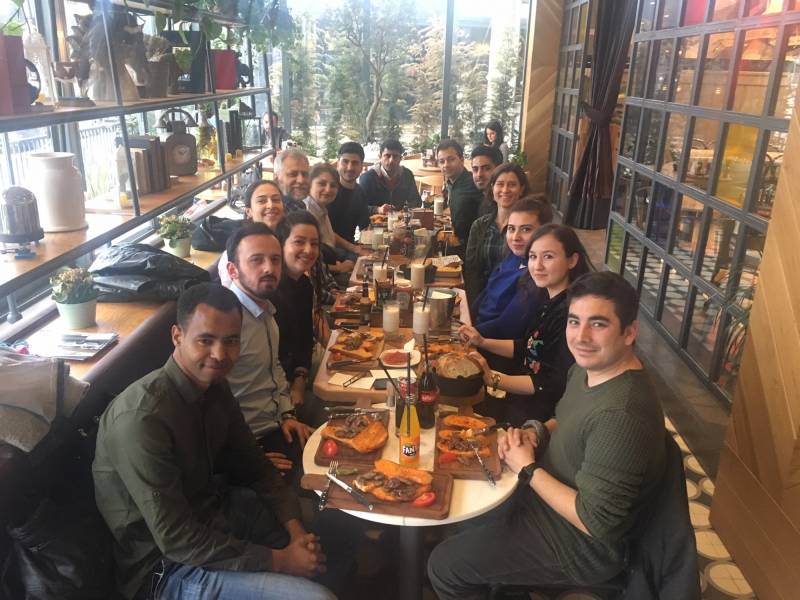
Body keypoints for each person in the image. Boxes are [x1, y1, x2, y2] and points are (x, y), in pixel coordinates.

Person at [429, 272, 668, 600]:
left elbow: (596, 523)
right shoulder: (587, 368)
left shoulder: (622, 415)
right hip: (545, 498)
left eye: (598, 324)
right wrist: (535, 433)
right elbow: (565, 419)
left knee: (445, 566)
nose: (581, 337)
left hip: (578, 546)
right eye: (574, 321)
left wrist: (528, 468)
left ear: (630, 332)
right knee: (459, 511)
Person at [92, 283, 336, 600]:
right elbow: (176, 539)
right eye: (205, 340)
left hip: (217, 518)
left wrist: (297, 534)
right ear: (177, 336)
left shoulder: (216, 387)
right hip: (165, 568)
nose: (220, 355)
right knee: (316, 597)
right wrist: (281, 560)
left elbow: (258, 469)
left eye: (231, 341)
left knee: (319, 534)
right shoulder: (141, 419)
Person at [460, 224, 592, 424]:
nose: (538, 266)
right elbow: (529, 346)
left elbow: (551, 382)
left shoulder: (571, 315)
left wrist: (492, 378)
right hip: (518, 398)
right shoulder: (547, 298)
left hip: (537, 416)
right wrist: (483, 341)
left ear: (572, 260)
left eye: (548, 257)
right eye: (532, 256)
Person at [224, 223, 317, 483]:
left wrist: (287, 414)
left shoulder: (266, 310)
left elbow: (274, 368)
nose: (269, 268)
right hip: (250, 446)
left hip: (278, 427)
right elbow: (206, 402)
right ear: (232, 270)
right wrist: (245, 457)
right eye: (257, 260)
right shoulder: (226, 323)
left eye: (275, 260)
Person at [273, 211, 329, 420]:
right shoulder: (270, 291)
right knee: (331, 409)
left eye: (314, 244)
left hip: (295, 376)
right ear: (281, 244)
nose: (308, 250)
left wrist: (300, 379)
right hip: (276, 392)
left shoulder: (304, 285)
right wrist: (293, 390)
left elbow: (305, 340)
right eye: (299, 242)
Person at [473, 197, 554, 340]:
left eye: (526, 229)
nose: (516, 237)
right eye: (511, 229)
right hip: (477, 328)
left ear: (544, 231)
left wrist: (468, 332)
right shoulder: (513, 256)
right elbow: (486, 294)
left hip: (492, 342)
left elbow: (506, 327)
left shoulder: (536, 274)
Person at [464, 163, 530, 305]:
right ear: (492, 188)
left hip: (515, 301)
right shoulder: (479, 226)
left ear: (521, 190)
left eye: (512, 185)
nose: (505, 190)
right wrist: (473, 305)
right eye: (500, 184)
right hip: (482, 298)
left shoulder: (529, 229)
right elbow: (471, 270)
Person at [218, 179, 285, 287]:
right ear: (249, 211)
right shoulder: (237, 252)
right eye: (262, 201)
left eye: (276, 200)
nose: (271, 205)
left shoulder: (290, 242)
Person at [303, 163, 361, 273]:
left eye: (333, 186)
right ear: (309, 184)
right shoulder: (306, 212)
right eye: (322, 184)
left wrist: (354, 249)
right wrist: (338, 268)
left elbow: (329, 235)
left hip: (332, 256)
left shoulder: (320, 207)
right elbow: (305, 264)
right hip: (323, 275)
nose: (328, 190)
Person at [437, 139, 483, 253]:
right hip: (458, 239)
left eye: (451, 159)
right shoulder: (451, 183)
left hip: (470, 247)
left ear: (462, 160)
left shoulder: (473, 183)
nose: (446, 165)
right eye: (441, 161)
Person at [358, 139, 421, 213]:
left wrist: (404, 211)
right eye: (387, 156)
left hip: (399, 218)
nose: (391, 160)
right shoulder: (367, 178)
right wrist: (378, 209)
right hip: (374, 219)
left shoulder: (407, 175)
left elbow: (416, 201)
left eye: (395, 156)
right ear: (380, 157)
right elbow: (358, 207)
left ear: (400, 158)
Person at [328, 141, 370, 245]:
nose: (350, 168)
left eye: (355, 163)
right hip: (327, 249)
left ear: (361, 166)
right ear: (338, 163)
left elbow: (365, 227)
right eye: (345, 161)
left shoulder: (360, 193)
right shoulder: (328, 191)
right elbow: (324, 232)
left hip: (350, 247)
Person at [274, 148, 310, 213]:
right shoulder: (273, 213)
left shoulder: (299, 205)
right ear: (277, 178)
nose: (301, 180)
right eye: (293, 174)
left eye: (305, 174)